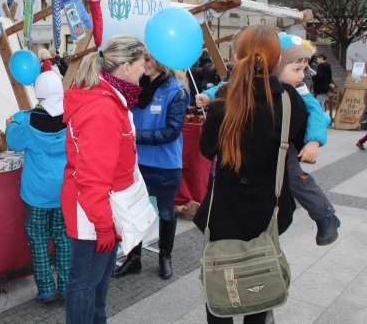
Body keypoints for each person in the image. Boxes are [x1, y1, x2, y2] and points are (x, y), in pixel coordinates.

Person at [193, 25, 308, 323]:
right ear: (277, 59)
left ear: (236, 56)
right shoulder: (289, 100)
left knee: (220, 283)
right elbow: (296, 139)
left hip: (224, 211)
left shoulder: (223, 100)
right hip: (270, 208)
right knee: (258, 281)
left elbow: (207, 149)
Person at [196, 35, 341, 245]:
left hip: (283, 152)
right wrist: (209, 95)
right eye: (296, 69)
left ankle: (324, 215)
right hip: (257, 192)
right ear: (277, 63)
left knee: (296, 178)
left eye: (303, 70)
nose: (301, 76)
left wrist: (314, 141)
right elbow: (228, 85)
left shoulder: (295, 92)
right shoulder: (247, 86)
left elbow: (316, 113)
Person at [62, 36, 146, 324]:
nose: (145, 69)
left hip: (102, 210)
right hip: (93, 213)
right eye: (142, 63)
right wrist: (102, 225)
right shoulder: (103, 108)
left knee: (96, 282)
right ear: (125, 66)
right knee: (85, 283)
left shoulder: (110, 99)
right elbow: (93, 178)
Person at [112, 56, 190, 280]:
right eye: (142, 58)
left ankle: (165, 257)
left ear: (160, 61)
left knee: (166, 211)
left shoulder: (176, 91)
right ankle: (133, 258)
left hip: (165, 164)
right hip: (135, 161)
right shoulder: (135, 87)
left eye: (148, 58)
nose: (143, 62)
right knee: (133, 211)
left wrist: (133, 136)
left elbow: (171, 132)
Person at [5, 69, 70, 303]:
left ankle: (46, 289)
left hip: (37, 193)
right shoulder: (72, 117)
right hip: (64, 190)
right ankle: (66, 287)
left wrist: (11, 124)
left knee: (39, 239)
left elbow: (12, 142)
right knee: (64, 239)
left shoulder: (26, 121)